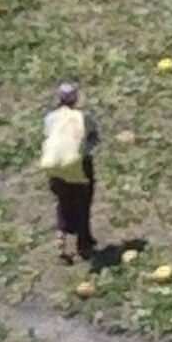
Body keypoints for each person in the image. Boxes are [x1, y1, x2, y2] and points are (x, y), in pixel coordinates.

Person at [39, 83, 99, 263]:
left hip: (53, 165)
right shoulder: (84, 117)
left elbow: (48, 135)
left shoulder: (50, 117)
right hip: (77, 164)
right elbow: (94, 138)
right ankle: (83, 244)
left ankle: (61, 234)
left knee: (63, 199)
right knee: (82, 201)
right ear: (76, 99)